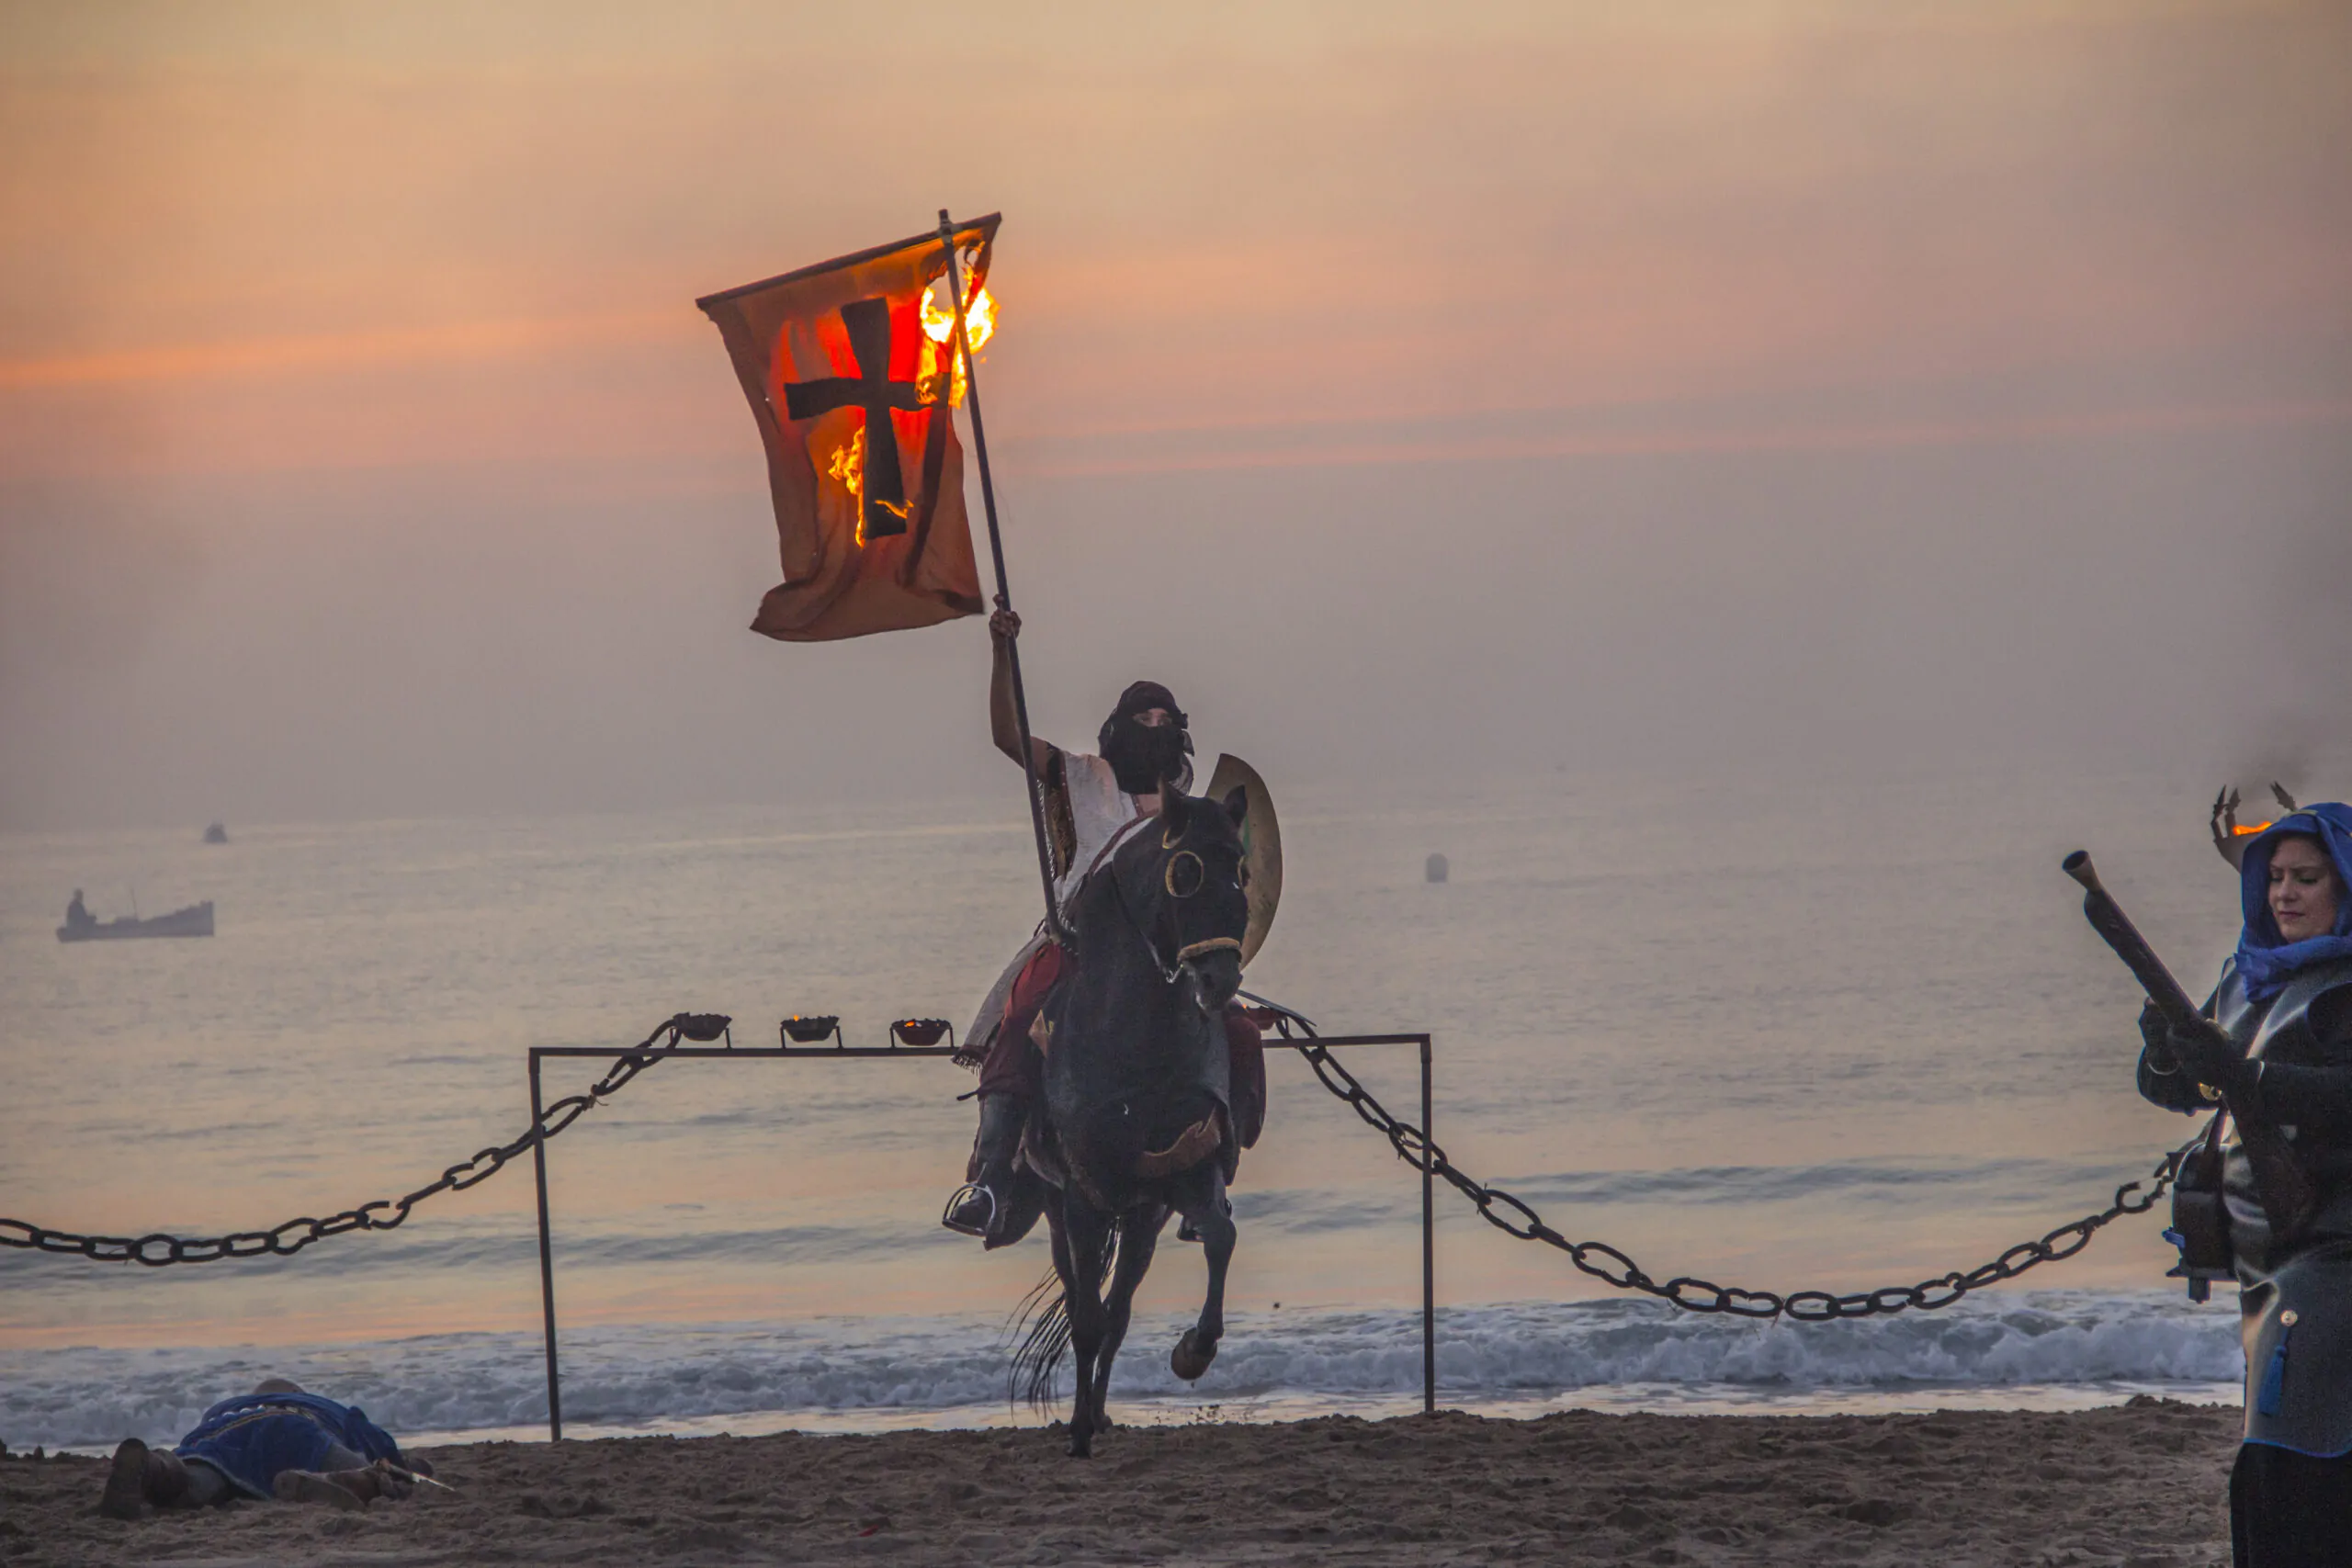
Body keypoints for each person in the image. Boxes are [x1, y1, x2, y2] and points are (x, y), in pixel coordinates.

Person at [942, 608, 1264, 1242]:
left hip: (1163, 959)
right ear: (1119, 729)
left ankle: (1217, 1182)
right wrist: (1002, 653)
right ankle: (990, 1177)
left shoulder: (1191, 812)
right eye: (1144, 718)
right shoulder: (1078, 776)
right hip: (1078, 946)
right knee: (1020, 1015)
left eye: (1165, 720)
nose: (1155, 728)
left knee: (1240, 1034)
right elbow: (1010, 735)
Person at [2134, 803, 2352, 1565]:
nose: (2284, 894)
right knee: (2279, 1456)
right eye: (2274, 877)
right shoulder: (2250, 974)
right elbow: (2180, 1086)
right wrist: (2164, 1049)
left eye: (2307, 877)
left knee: (2295, 1463)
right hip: (2264, 1265)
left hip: (2337, 1259)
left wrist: (2248, 1075)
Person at [99, 1378, 430, 1517]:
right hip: (298, 1431)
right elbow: (382, 1447)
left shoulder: (226, 1409)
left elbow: (193, 1440)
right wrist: (409, 1466)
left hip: (224, 1439)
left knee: (190, 1483)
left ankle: (153, 1469)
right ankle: (335, 1479)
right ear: (297, 1392)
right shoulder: (318, 1405)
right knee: (372, 1471)